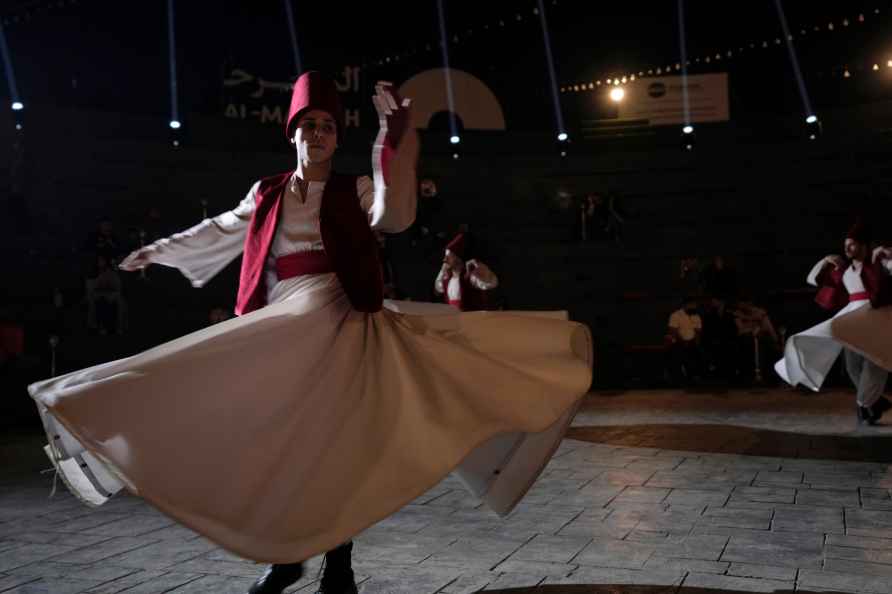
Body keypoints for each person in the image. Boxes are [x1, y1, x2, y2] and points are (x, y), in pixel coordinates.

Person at [28, 72, 593, 594]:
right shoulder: (268, 192)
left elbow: (394, 216)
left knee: (332, 449)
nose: (318, 134)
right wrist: (160, 250)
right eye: (309, 125)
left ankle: (334, 563)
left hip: (340, 321)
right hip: (280, 325)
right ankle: (288, 555)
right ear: (292, 135)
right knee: (284, 446)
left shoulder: (354, 191)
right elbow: (220, 229)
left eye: (326, 126)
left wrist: (391, 141)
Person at [776, 221, 892, 425]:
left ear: (864, 246)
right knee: (852, 366)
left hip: (876, 314)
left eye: (852, 244)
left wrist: (887, 253)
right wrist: (825, 261)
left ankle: (865, 403)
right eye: (845, 244)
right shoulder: (845, 269)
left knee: (876, 361)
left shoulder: (877, 262)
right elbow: (811, 279)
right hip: (851, 317)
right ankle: (872, 402)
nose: (847, 248)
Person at [434, 232, 499, 311]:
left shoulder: (471, 276)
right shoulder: (447, 280)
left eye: (448, 257)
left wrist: (479, 270)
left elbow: (492, 283)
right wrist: (443, 271)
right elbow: (437, 291)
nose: (444, 260)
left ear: (457, 258)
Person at [665, 297, 704, 385]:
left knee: (695, 356)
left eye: (695, 305)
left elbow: (698, 330)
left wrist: (696, 341)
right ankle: (678, 378)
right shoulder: (675, 315)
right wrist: (683, 341)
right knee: (677, 356)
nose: (694, 307)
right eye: (692, 305)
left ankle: (693, 377)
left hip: (692, 341)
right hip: (679, 341)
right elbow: (673, 330)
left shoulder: (696, 316)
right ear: (686, 305)